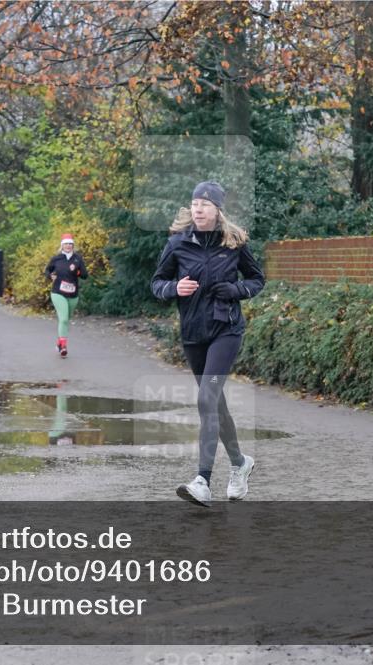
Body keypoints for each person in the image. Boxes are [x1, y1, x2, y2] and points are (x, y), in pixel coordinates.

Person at [151, 181, 265, 506]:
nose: (198, 208)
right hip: (193, 334)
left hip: (226, 330)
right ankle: (241, 464)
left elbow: (257, 279)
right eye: (194, 202)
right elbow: (156, 283)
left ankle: (202, 480)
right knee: (216, 403)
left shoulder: (235, 243)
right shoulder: (177, 244)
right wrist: (174, 288)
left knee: (207, 397)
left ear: (217, 210)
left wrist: (236, 291)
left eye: (204, 203)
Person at [44, 233, 88, 357]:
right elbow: (47, 270)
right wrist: (50, 276)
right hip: (58, 292)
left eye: (70, 244)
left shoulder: (77, 259)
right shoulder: (56, 259)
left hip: (73, 294)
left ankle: (59, 342)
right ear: (62, 246)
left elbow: (85, 275)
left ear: (73, 245)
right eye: (66, 244)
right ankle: (63, 346)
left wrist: (78, 271)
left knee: (66, 320)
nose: (68, 246)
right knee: (63, 319)